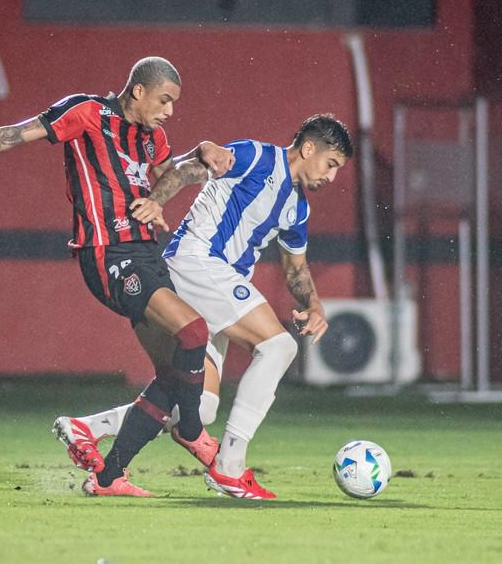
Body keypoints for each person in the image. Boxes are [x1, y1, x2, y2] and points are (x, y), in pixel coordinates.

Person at [0, 57, 235, 497]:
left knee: (173, 375)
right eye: (165, 99)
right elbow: (16, 134)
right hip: (107, 253)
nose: (170, 110)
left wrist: (203, 155)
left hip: (147, 253)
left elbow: (169, 178)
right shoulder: (87, 113)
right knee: (194, 331)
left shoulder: (153, 137)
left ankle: (109, 476)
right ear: (138, 90)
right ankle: (191, 432)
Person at [53, 114, 353, 499]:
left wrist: (313, 303)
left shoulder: (298, 210)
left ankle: (90, 429)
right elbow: (189, 170)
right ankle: (229, 467)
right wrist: (154, 202)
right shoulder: (257, 156)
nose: (331, 176)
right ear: (309, 148)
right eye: (331, 164)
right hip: (199, 264)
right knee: (279, 346)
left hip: (215, 284)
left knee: (200, 406)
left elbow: (296, 269)